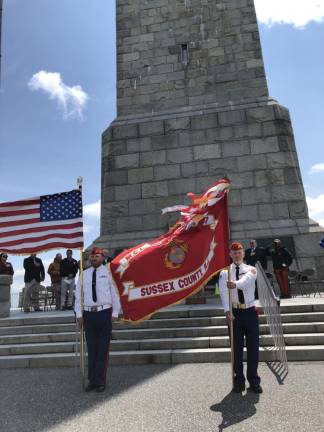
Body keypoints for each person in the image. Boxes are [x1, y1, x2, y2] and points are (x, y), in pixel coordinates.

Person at [75, 247, 121, 393]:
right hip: (89, 315)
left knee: (102, 349)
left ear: (102, 257)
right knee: (92, 349)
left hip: (104, 313)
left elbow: (115, 293)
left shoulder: (108, 273)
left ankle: (100, 381)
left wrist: (115, 312)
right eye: (92, 256)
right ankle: (92, 380)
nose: (94, 258)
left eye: (97, 256)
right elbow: (78, 296)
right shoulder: (83, 274)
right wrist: (79, 315)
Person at [219, 242, 262, 394]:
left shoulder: (251, 269)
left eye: (239, 252)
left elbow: (246, 283)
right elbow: (224, 293)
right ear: (230, 254)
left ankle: (254, 380)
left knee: (253, 349)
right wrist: (227, 311)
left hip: (250, 311)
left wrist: (235, 284)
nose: (237, 255)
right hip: (235, 313)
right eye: (234, 253)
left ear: (243, 254)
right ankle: (239, 381)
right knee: (236, 350)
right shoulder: (225, 272)